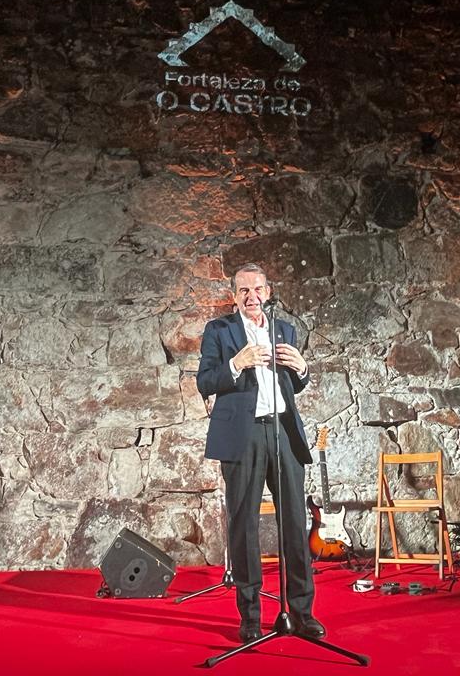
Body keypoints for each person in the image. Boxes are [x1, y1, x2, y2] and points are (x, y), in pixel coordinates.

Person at [197, 262, 325, 642]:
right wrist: (236, 364)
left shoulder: (283, 329)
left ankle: (302, 612)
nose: (251, 297)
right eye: (243, 291)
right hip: (243, 434)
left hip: (283, 432)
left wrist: (303, 370)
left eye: (257, 290)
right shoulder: (219, 331)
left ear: (268, 293)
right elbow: (204, 381)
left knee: (294, 524)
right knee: (244, 526)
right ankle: (250, 617)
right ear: (234, 296)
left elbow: (293, 385)